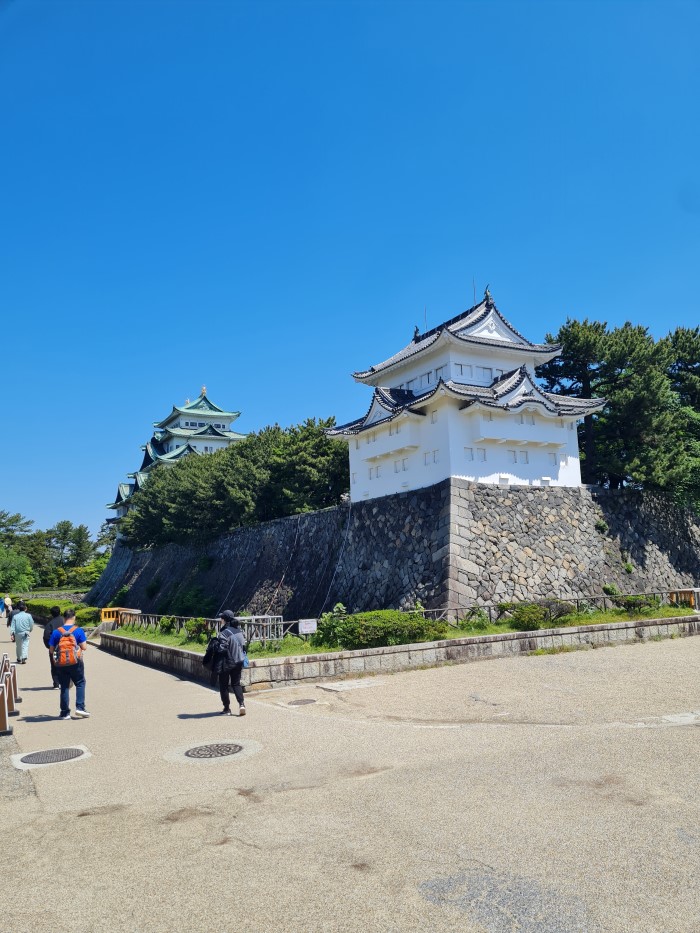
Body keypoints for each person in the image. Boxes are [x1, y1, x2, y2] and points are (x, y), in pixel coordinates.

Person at [48, 608, 90, 720]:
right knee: (80, 682)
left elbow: (51, 650)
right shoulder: (78, 630)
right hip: (76, 662)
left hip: (61, 664)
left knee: (64, 686)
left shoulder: (57, 632)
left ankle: (64, 712)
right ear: (74, 617)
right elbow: (84, 647)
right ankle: (80, 707)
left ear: (64, 618)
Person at [214, 610, 247, 717]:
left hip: (227, 662)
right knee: (236, 683)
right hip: (239, 661)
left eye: (221, 618)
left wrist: (215, 646)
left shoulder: (223, 633)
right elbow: (243, 645)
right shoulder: (239, 631)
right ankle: (242, 704)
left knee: (223, 685)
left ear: (224, 619)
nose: (220, 620)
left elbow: (222, 648)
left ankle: (227, 708)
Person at [43, 605, 63, 688]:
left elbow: (46, 636)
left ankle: (56, 683)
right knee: (66, 663)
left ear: (51, 614)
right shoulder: (64, 621)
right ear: (60, 612)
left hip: (54, 647)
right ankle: (65, 681)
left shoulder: (50, 624)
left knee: (54, 665)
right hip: (67, 647)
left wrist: (49, 646)